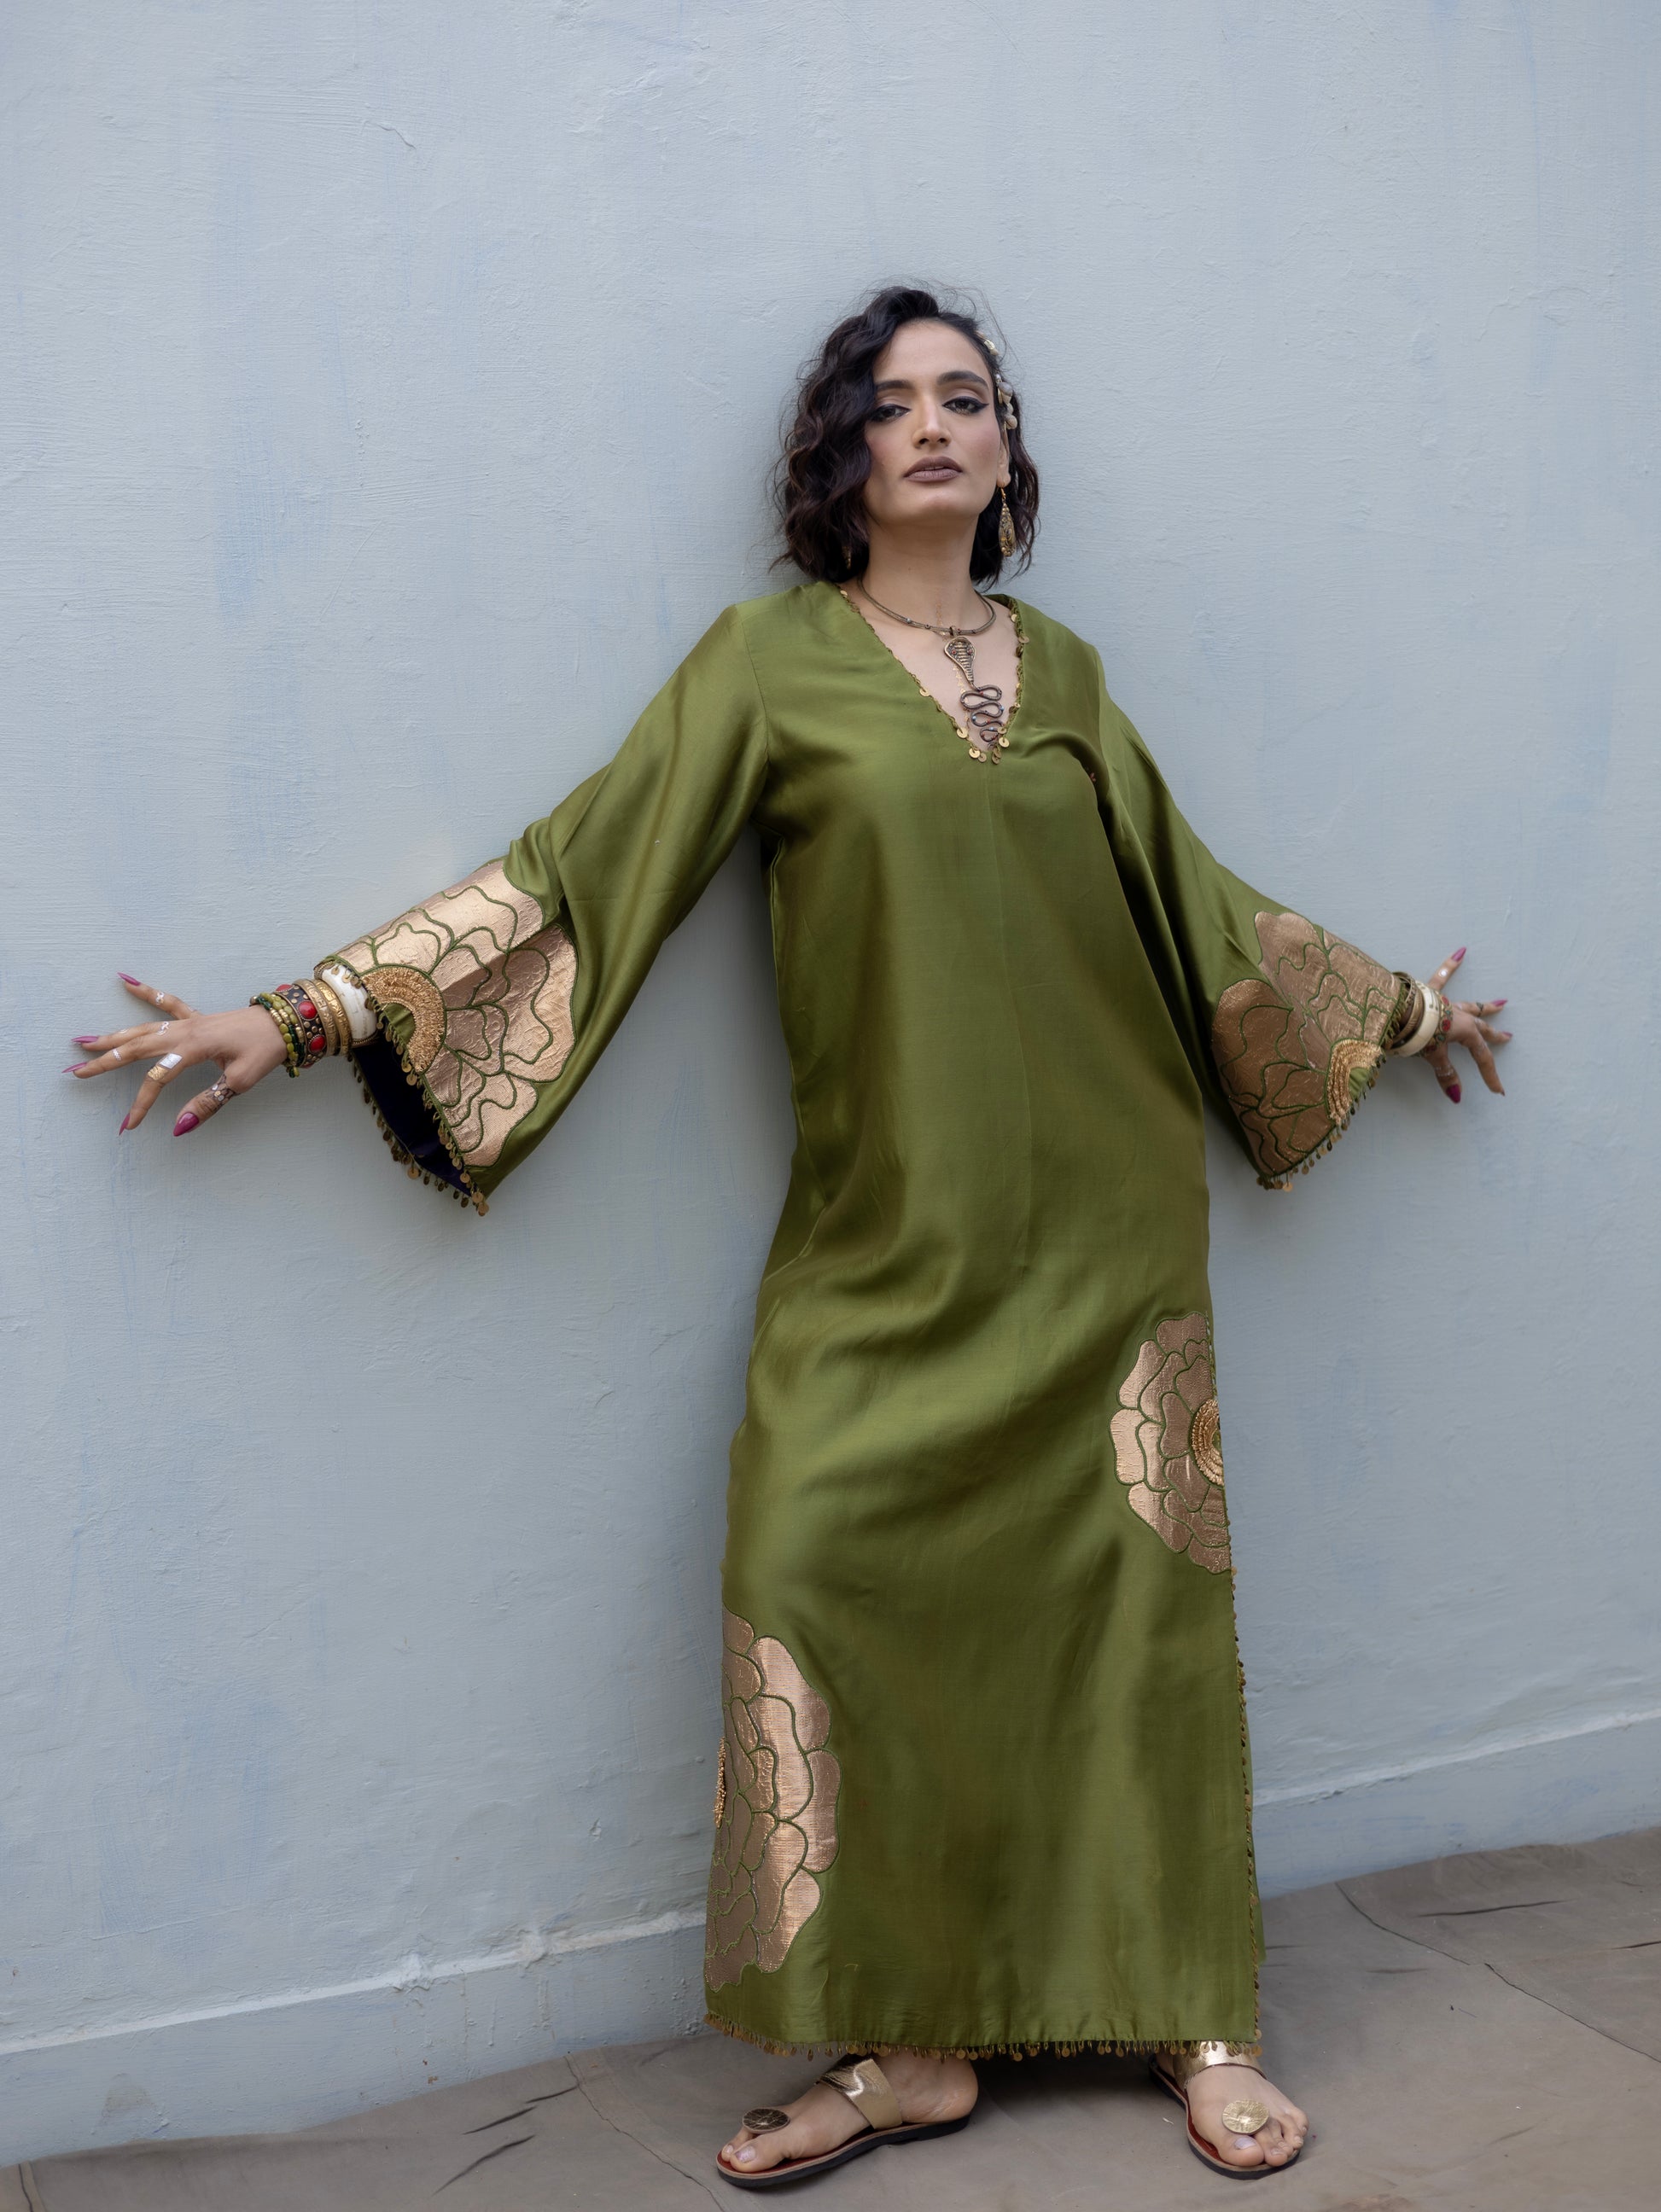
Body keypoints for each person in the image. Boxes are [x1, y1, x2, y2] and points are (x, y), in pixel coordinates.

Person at [71, 284, 1511, 2187]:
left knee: (1127, 1625)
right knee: (819, 1569)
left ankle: (1196, 2021)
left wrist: (1402, 1009)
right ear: (839, 454)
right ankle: (908, 2050)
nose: (934, 425)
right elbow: (584, 867)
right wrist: (305, 1012)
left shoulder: (1068, 676)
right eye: (891, 403)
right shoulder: (766, 665)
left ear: (1005, 448)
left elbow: (1200, 905)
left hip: (1106, 1241)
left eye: (966, 398)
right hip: (883, 1244)